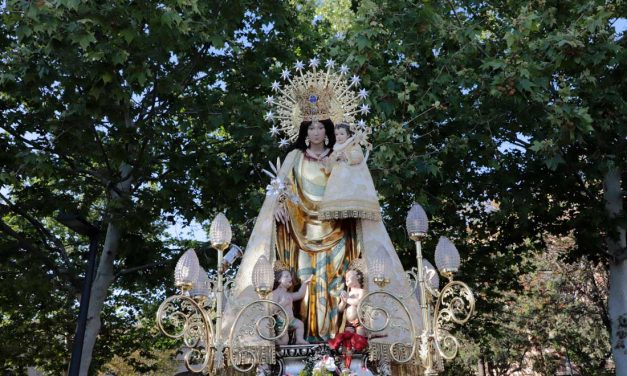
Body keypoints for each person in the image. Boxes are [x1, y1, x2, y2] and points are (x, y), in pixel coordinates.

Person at [272, 118, 360, 340]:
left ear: (328, 130)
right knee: (304, 281)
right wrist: (278, 205)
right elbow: (279, 190)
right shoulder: (294, 158)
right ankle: (303, 337)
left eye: (321, 127)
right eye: (311, 127)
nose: (316, 132)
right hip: (302, 230)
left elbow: (354, 186)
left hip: (336, 228)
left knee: (335, 282)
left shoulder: (339, 155)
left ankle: (334, 338)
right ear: (304, 131)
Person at [319, 123, 381, 221]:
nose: (338, 137)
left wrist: (346, 157)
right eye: (337, 134)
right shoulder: (336, 149)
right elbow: (330, 167)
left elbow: (359, 156)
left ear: (348, 135)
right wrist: (326, 162)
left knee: (351, 201)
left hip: (351, 180)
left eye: (341, 134)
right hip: (337, 182)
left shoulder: (353, 144)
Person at [270, 268, 312, 345]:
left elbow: (300, 294)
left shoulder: (288, 294)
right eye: (286, 276)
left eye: (290, 276)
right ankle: (272, 340)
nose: (290, 278)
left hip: (291, 320)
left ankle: (299, 339)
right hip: (281, 322)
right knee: (284, 342)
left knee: (299, 324)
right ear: (279, 279)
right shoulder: (275, 293)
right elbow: (272, 309)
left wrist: (305, 284)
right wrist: (283, 304)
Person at [338, 268, 367, 337]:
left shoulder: (361, 291)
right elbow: (340, 309)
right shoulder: (349, 294)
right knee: (347, 338)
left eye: (349, 276)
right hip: (348, 323)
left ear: (357, 277)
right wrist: (343, 302)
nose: (346, 278)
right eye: (345, 277)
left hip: (360, 321)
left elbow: (359, 302)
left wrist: (347, 300)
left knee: (360, 337)